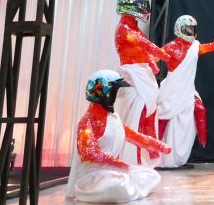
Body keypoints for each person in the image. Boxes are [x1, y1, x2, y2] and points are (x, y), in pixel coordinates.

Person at [67, 70, 170, 203]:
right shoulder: (87, 122)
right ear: (105, 94)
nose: (115, 96)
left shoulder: (113, 118)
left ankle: (124, 186)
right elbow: (90, 154)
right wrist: (124, 167)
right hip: (90, 179)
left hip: (109, 173)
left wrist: (159, 146)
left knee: (151, 175)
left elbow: (134, 136)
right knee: (117, 186)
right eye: (114, 91)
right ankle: (118, 188)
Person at [156, 15, 214, 168]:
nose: (190, 32)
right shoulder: (170, 47)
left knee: (200, 109)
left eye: (192, 29)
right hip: (171, 89)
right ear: (179, 29)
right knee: (163, 116)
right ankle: (156, 151)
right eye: (187, 29)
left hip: (187, 90)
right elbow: (154, 57)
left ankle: (201, 140)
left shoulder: (194, 48)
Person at [113, 0, 171, 166]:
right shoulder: (124, 29)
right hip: (134, 76)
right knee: (139, 114)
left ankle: (145, 158)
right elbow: (144, 45)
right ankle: (133, 159)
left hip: (142, 75)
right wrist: (164, 55)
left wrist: (153, 64)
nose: (144, 10)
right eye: (141, 6)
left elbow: (143, 50)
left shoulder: (133, 27)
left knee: (148, 113)